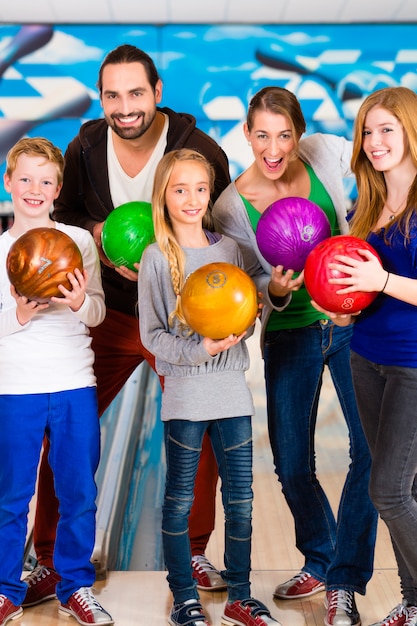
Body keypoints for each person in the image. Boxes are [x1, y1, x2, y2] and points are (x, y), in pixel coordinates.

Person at [24, 44, 231, 606]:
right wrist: (98, 236)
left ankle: (192, 549)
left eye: (135, 93)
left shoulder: (198, 150)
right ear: (102, 97)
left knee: (200, 427)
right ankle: (46, 558)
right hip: (112, 311)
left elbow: (222, 227)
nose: (124, 106)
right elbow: (63, 216)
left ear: (157, 93)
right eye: (112, 95)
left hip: (180, 313)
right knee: (62, 426)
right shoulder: (87, 146)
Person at [212, 86, 378, 626]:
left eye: (284, 134)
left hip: (353, 325)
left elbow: (373, 175)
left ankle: (343, 575)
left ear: (300, 134)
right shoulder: (231, 207)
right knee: (291, 464)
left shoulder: (326, 153)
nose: (274, 146)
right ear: (247, 134)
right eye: (262, 135)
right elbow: (255, 288)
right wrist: (278, 291)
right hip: (291, 332)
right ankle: (323, 555)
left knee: (369, 451)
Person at [138, 147, 283, 626]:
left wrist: (248, 325)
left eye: (201, 189)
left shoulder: (230, 251)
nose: (192, 198)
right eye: (180, 189)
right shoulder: (157, 258)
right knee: (180, 501)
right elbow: (153, 337)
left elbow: (243, 317)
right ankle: (184, 595)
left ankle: (240, 595)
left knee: (241, 500)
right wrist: (201, 349)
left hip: (231, 395)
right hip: (184, 397)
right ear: (164, 195)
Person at [311, 86, 417, 626]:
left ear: (410, 132)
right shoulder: (366, 204)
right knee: (404, 490)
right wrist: (340, 305)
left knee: (390, 492)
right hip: (365, 356)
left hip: (414, 365)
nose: (375, 142)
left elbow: (383, 280)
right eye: (367, 132)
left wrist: (381, 279)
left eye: (386, 130)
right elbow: (358, 288)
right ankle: (413, 602)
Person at [0, 137, 113, 626]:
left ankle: (76, 587)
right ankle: (6, 590)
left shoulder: (80, 243)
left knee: (79, 493)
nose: (34, 189)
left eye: (45, 181)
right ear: (8, 183)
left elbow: (98, 312)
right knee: (10, 496)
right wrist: (19, 315)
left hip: (72, 381)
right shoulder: (1, 249)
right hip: (15, 386)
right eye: (25, 179)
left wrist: (76, 303)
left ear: (57, 188)